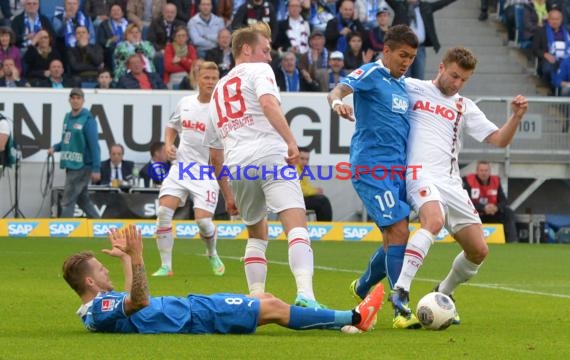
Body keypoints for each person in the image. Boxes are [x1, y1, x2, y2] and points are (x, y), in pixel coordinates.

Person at [391, 47, 528, 324]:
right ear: (441, 67)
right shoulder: (411, 87)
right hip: (419, 172)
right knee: (433, 221)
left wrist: (515, 117)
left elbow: (499, 140)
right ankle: (401, 289)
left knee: (478, 250)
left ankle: (443, 293)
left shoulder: (464, 106)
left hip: (451, 182)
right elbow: (378, 86)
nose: (457, 84)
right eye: (454, 76)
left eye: (463, 80)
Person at [63, 224, 384, 334]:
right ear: (89, 283)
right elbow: (140, 300)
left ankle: (342, 322)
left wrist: (125, 261)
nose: (105, 272)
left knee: (265, 299)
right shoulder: (100, 308)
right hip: (194, 317)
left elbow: (132, 302)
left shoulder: (99, 308)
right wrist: (137, 257)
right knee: (272, 308)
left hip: (191, 309)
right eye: (101, 270)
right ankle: (355, 317)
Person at [204, 22, 325, 309]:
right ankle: (306, 295)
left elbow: (214, 153)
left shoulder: (218, 90)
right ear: (246, 49)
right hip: (270, 156)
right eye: (265, 50)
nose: (270, 57)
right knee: (296, 226)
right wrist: (291, 141)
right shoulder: (259, 70)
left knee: (257, 235)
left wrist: (228, 195)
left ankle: (256, 297)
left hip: (238, 167)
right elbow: (269, 104)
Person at [327, 24, 420, 328]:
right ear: (387, 50)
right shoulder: (371, 73)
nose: (406, 62)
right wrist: (338, 102)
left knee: (393, 238)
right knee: (399, 233)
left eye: (411, 57)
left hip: (399, 169)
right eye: (402, 55)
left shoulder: (404, 85)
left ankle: (362, 286)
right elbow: (339, 89)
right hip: (371, 166)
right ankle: (400, 308)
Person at [151, 61, 225, 278]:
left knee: (203, 222)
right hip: (181, 168)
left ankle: (211, 252)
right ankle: (166, 266)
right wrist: (167, 145)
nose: (210, 82)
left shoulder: (221, 109)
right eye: (206, 78)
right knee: (163, 213)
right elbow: (172, 126)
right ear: (197, 79)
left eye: (214, 78)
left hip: (205, 173)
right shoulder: (185, 103)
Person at [48, 88, 101, 218]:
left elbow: (94, 146)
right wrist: (55, 148)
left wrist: (96, 168)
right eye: (73, 98)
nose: (75, 101)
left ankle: (64, 231)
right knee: (83, 200)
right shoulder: (67, 118)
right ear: (69, 100)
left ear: (83, 101)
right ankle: (100, 225)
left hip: (82, 166)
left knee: (67, 200)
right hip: (71, 165)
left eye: (78, 98)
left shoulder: (88, 120)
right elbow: (67, 140)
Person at [463, 161, 519, 243]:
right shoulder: (469, 181)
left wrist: (496, 207)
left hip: (493, 213)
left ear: (490, 171)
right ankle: (466, 240)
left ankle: (512, 241)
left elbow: (504, 200)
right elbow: (466, 201)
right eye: (481, 170)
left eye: (486, 170)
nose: (484, 173)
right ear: (477, 171)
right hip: (477, 214)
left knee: (509, 212)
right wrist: (483, 208)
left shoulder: (495, 181)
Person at [297, 147, 333, 221]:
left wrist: (314, 191)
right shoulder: (293, 169)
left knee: (321, 199)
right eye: (302, 158)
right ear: (296, 158)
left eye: (307, 159)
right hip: (294, 200)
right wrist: (315, 191)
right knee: (323, 202)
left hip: (299, 199)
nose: (305, 162)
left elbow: (306, 187)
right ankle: (325, 228)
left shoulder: (302, 169)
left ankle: (323, 227)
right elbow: (300, 190)